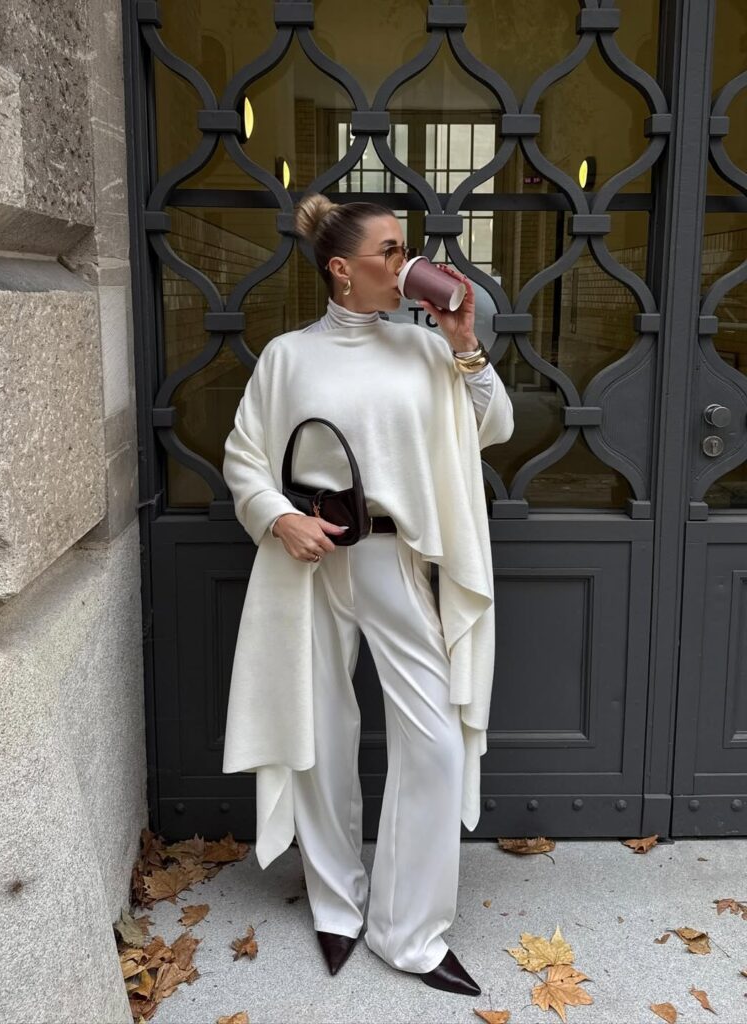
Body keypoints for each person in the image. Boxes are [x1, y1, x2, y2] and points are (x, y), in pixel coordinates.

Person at [221, 194, 514, 996]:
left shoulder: (424, 349)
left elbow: (494, 425)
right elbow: (244, 455)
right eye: (390, 250)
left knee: (434, 740)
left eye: (405, 248)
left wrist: (464, 344)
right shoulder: (288, 357)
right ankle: (338, 904)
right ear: (341, 269)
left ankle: (410, 931)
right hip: (309, 557)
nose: (405, 262)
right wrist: (279, 517)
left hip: (393, 556)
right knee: (318, 730)